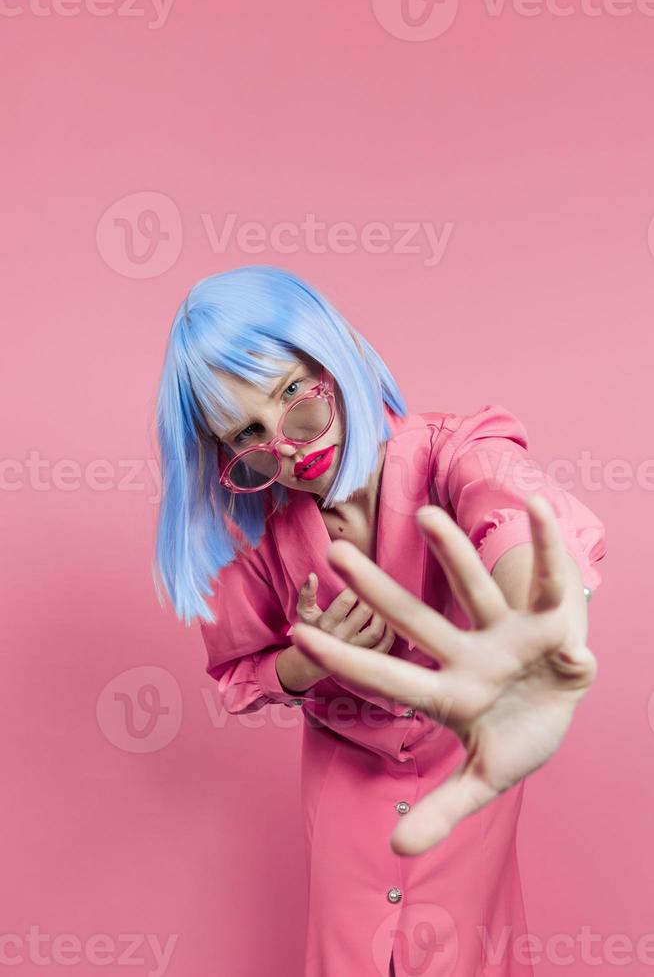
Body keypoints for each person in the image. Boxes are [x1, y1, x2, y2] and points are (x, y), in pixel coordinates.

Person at [153, 264, 607, 977]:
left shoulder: (454, 449)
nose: (291, 446)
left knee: (466, 956)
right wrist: (310, 661)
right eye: (249, 434)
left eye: (295, 396)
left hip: (471, 761)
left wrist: (530, 623)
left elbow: (508, 509)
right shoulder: (257, 529)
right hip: (345, 778)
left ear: (333, 356)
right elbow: (239, 673)